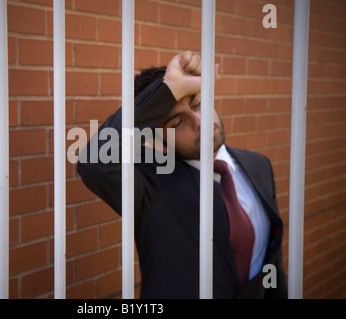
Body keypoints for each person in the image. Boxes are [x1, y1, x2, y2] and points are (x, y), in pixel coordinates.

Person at [77, 51, 287, 299]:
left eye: (198, 104)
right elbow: (94, 161)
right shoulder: (151, 183)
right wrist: (170, 89)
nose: (199, 121)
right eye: (177, 123)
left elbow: (270, 261)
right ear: (156, 137)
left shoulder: (258, 165)